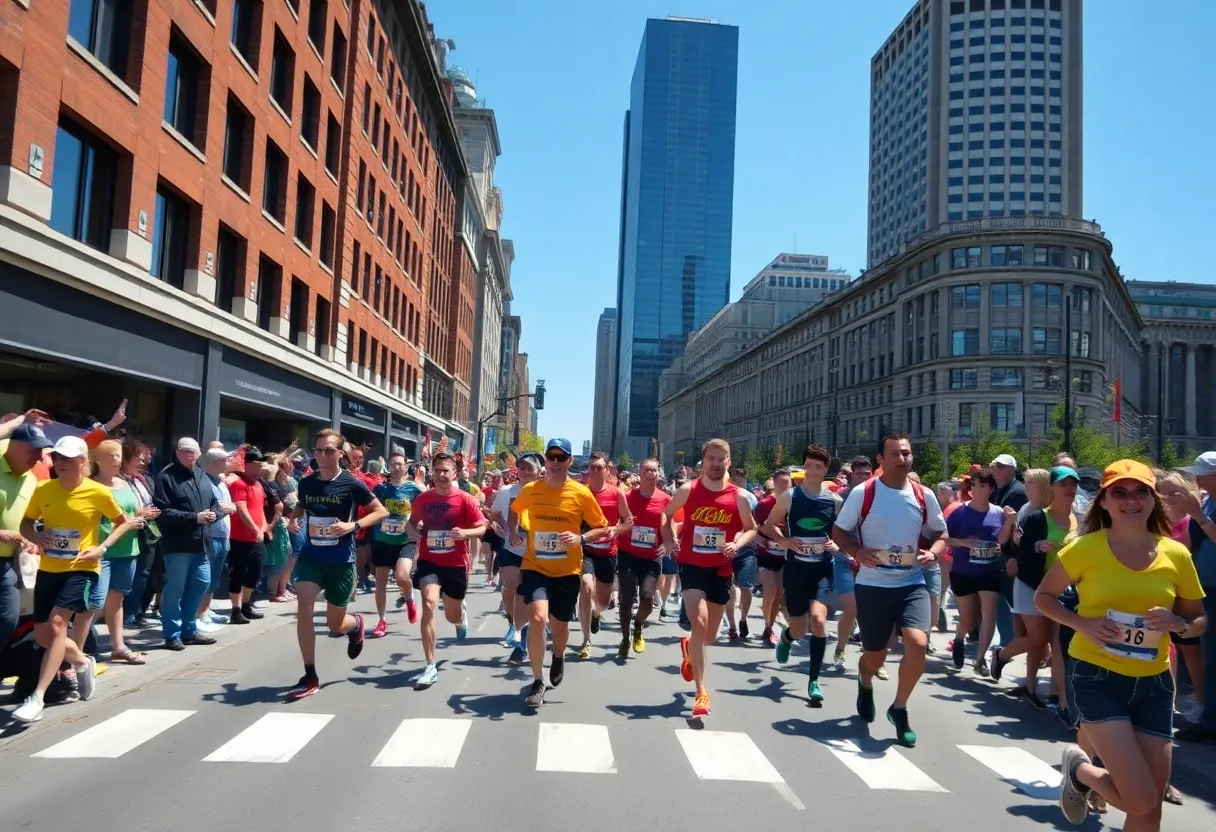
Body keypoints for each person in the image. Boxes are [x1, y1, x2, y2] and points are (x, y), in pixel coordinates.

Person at [1043, 461, 1206, 830]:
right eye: (1120, 492)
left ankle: (1081, 773)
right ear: (1104, 501)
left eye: (1140, 492)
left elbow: (1198, 619)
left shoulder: (1175, 553)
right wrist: (1082, 623)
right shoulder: (1083, 548)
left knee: (1150, 810)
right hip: (1097, 677)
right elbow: (1044, 598)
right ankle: (1080, 771)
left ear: (1153, 500)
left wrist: (1178, 623)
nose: (1130, 501)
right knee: (1139, 797)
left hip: (1154, 684)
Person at [14, 436, 140, 723]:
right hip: (49, 568)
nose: (61, 464)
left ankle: (37, 697)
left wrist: (102, 547)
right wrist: (35, 536)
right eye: (57, 458)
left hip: (82, 568)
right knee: (45, 636)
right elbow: (26, 522)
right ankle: (82, 661)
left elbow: (123, 523)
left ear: (83, 461)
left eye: (68, 459)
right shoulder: (44, 489)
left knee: (59, 625)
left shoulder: (97, 492)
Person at [831, 433, 946, 748]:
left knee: (918, 642)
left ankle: (899, 708)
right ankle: (864, 682)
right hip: (872, 585)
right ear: (881, 459)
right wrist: (856, 552)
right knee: (874, 657)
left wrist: (933, 552)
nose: (902, 459)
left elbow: (940, 533)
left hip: (911, 582)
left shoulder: (924, 495)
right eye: (895, 454)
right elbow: (839, 530)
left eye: (906, 453)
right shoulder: (864, 493)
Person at [284, 429, 388, 700]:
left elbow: (381, 511)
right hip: (311, 557)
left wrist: (352, 526)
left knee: (334, 624)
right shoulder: (307, 483)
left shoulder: (352, 484)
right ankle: (310, 674)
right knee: (304, 608)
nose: (322, 455)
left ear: (340, 454)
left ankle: (354, 626)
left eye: (328, 450)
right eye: (318, 450)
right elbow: (303, 506)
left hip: (341, 561)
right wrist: (294, 518)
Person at [509, 438, 610, 708]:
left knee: (560, 627)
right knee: (538, 617)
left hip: (567, 570)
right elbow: (515, 511)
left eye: (560, 457)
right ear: (545, 459)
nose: (555, 462)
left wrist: (581, 539)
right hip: (535, 565)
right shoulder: (531, 490)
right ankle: (538, 680)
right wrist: (514, 530)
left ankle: (559, 655)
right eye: (550, 457)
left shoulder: (581, 493)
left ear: (569, 461)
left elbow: (602, 526)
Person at [662, 439, 758, 719]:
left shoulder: (739, 496)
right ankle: (701, 693)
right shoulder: (687, 490)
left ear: (728, 462)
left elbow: (752, 529)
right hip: (692, 566)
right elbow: (666, 516)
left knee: (709, 637)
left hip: (720, 569)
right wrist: (670, 539)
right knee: (699, 621)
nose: (716, 464)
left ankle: (690, 647)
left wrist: (737, 545)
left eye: (721, 459)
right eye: (711, 459)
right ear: (702, 462)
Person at [991, 466, 1079, 707]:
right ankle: (1002, 655)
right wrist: (1035, 546)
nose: (1070, 489)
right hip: (1032, 583)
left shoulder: (1078, 518)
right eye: (1064, 485)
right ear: (1051, 487)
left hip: (1064, 590)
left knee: (1057, 644)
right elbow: (1016, 548)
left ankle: (1061, 700)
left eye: (1073, 485)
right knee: (1037, 639)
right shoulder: (1035, 516)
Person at [763, 445, 841, 705]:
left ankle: (813, 681)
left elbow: (844, 534)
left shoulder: (834, 500)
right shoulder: (790, 496)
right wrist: (785, 541)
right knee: (798, 626)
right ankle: (787, 637)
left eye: (819, 467)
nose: (813, 471)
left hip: (822, 568)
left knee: (818, 619)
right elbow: (769, 525)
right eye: (809, 465)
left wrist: (836, 545)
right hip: (797, 568)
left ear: (825, 470)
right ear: (803, 467)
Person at [405, 451, 485, 688]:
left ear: (455, 474)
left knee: (451, 614)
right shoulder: (423, 500)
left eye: (446, 471)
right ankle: (430, 666)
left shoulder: (465, 500)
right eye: (438, 470)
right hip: (430, 560)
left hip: (456, 563)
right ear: (432, 472)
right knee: (429, 603)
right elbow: (411, 524)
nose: (441, 474)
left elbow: (482, 528)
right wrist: (413, 531)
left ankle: (460, 618)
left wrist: (465, 533)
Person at [92, 439, 159, 664]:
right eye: (111, 455)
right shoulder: (91, 485)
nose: (116, 459)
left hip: (128, 549)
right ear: (97, 459)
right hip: (103, 550)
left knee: (117, 600)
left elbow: (129, 509)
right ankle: (76, 650)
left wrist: (141, 515)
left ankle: (118, 647)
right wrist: (130, 521)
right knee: (94, 603)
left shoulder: (125, 483)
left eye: (118, 455)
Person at [943, 467, 1015, 677]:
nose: (975, 489)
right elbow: (943, 538)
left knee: (989, 615)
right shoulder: (959, 512)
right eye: (973, 485)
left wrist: (1009, 523)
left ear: (991, 489)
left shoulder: (997, 513)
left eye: (982, 485)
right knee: (969, 620)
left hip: (988, 570)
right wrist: (963, 542)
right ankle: (959, 637)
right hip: (963, 571)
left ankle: (980, 659)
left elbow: (1001, 539)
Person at [153, 438, 220, 650]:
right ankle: (172, 635)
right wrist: (195, 517)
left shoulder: (201, 475)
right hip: (177, 545)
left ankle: (189, 630)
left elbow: (214, 504)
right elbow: (162, 512)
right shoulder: (166, 477)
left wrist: (214, 514)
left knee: (200, 585)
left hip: (201, 544)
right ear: (177, 453)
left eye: (193, 451)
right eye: (184, 451)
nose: (189, 455)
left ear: (200, 453)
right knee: (174, 590)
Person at [1168, 451, 1216, 743]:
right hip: (1205, 588)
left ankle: (1210, 722)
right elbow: (1188, 544)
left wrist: (1197, 515)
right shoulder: (1207, 501)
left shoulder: (1204, 506)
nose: (1196, 478)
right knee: (1210, 657)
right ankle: (1209, 720)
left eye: (1202, 472)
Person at [0, 419, 52, 654]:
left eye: (41, 451)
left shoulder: (31, 480)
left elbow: (30, 522)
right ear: (14, 446)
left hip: (7, 564)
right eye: (34, 450)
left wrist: (32, 539)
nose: (39, 457)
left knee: (9, 617)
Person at [616, 457, 671, 658]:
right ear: (639, 472)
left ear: (658, 473)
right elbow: (617, 521)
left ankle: (638, 625)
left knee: (647, 599)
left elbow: (670, 524)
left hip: (651, 556)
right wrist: (620, 530)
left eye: (654, 470)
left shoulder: (665, 499)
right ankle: (624, 638)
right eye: (647, 470)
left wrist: (667, 542)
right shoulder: (627, 496)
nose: (650, 474)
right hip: (628, 554)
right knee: (627, 599)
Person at [579, 452, 632, 658]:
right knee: (585, 586)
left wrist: (614, 530)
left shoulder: (616, 494)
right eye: (591, 467)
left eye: (598, 467)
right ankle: (586, 641)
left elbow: (628, 522)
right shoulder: (582, 493)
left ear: (607, 470)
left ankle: (596, 612)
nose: (594, 471)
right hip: (585, 549)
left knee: (602, 599)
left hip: (608, 552)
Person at [493, 452, 543, 662]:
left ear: (539, 471)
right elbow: (495, 513)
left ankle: (523, 636)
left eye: (529, 468)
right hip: (512, 547)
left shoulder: (545, 492)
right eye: (521, 467)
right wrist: (503, 527)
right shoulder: (506, 491)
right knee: (510, 585)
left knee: (527, 594)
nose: (525, 471)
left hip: (537, 551)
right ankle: (514, 625)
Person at [369, 451, 422, 636]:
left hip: (405, 540)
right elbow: (372, 510)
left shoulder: (414, 489)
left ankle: (409, 598)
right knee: (380, 582)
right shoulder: (380, 489)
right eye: (393, 464)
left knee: (402, 577)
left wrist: (417, 524)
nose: (397, 467)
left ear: (406, 467)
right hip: (383, 540)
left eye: (400, 464)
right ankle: (382, 621)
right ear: (388, 468)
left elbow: (425, 508)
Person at [227, 448, 271, 626]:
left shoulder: (258, 484)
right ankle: (235, 610)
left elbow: (259, 509)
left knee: (255, 571)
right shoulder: (239, 484)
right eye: (259, 464)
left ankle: (246, 605)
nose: (262, 467)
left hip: (256, 538)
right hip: (240, 537)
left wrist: (264, 528)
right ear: (249, 465)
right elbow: (241, 509)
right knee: (238, 573)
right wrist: (255, 528)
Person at [754, 468, 792, 646]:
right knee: (770, 589)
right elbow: (756, 529)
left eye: (788, 482)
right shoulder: (764, 504)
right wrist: (766, 542)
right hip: (766, 552)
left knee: (779, 593)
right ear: (774, 483)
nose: (785, 485)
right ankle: (768, 626)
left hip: (785, 555)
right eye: (782, 482)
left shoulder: (794, 504)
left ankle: (769, 625)